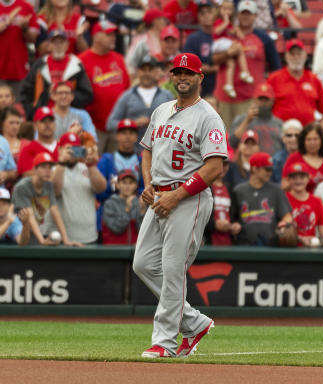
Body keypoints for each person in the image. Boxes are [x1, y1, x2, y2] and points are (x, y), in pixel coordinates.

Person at [134, 53, 226, 358]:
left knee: (173, 270)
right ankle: (194, 322)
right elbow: (147, 150)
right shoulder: (161, 110)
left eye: (188, 72)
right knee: (144, 264)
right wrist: (148, 183)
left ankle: (164, 343)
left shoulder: (208, 116)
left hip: (189, 199)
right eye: (177, 72)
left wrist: (178, 195)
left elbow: (214, 167)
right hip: (159, 195)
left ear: (200, 77)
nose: (181, 76)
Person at [211, 0, 281, 129]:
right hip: (224, 97)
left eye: (249, 14)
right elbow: (212, 59)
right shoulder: (227, 32)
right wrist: (228, 53)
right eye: (243, 13)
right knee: (221, 137)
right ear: (237, 14)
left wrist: (265, 92)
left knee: (247, 138)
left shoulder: (264, 39)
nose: (245, 17)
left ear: (255, 16)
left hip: (250, 98)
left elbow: (276, 67)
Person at [79, 21, 130, 154]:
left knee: (116, 170)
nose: (113, 37)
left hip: (117, 128)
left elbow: (127, 90)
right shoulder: (82, 60)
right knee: (92, 165)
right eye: (108, 34)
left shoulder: (119, 59)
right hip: (93, 128)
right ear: (96, 37)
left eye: (114, 34)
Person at [19, 29, 93, 120]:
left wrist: (65, 95)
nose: (58, 46)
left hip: (69, 115)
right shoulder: (40, 64)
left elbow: (87, 94)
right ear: (49, 46)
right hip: (43, 115)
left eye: (61, 43)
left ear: (67, 45)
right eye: (55, 43)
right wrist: (32, 111)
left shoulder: (76, 65)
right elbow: (26, 91)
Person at [12, 152, 77, 246]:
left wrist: (66, 240)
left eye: (50, 168)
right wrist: (42, 240)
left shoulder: (48, 185)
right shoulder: (22, 187)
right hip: (16, 232)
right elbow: (29, 215)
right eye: (43, 167)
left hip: (34, 231)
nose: (47, 171)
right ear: (34, 169)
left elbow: (55, 211)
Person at [52, 132, 106, 244]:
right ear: (60, 149)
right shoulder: (54, 170)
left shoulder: (87, 168)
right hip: (64, 238)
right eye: (68, 148)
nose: (72, 152)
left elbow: (101, 188)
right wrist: (61, 162)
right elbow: (54, 191)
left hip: (90, 236)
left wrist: (91, 165)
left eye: (75, 148)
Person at [230, 152, 292, 246]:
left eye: (271, 170)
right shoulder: (238, 190)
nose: (270, 173)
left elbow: (287, 216)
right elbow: (232, 219)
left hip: (270, 244)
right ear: (255, 169)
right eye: (267, 169)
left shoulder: (276, 190)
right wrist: (233, 226)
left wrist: (284, 225)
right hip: (244, 245)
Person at [107, 56, 174, 141]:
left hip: (159, 149)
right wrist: (132, 124)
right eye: (143, 70)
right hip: (133, 151)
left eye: (150, 70)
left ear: (156, 72)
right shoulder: (127, 96)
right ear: (138, 72)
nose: (146, 73)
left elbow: (176, 122)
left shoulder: (167, 96)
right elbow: (110, 124)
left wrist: (155, 124)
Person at [267, 39, 323, 126]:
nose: (296, 57)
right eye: (292, 54)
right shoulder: (274, 79)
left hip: (308, 133)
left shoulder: (313, 79)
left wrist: (321, 126)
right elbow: (265, 106)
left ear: (305, 55)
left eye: (299, 54)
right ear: (286, 56)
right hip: (282, 130)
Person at [285, 162, 323, 246]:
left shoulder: (316, 201)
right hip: (288, 248)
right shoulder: (283, 198)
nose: (298, 181)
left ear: (308, 178)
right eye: (294, 177)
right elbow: (281, 228)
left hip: (310, 249)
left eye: (302, 177)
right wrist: (300, 238)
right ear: (288, 180)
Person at [212, 0, 254, 99]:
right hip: (217, 44)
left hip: (223, 45)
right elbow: (216, 32)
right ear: (219, 10)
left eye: (230, 9)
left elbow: (237, 34)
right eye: (225, 9)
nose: (227, 11)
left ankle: (229, 85)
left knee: (231, 63)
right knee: (239, 48)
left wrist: (236, 31)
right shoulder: (219, 21)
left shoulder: (230, 24)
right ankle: (245, 72)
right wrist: (226, 22)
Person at [229, 82, 282, 155]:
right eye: (260, 99)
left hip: (273, 163)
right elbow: (232, 142)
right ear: (254, 99)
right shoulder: (242, 119)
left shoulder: (279, 123)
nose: (263, 102)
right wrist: (247, 120)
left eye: (266, 99)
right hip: (249, 163)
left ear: (272, 101)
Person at [282, 123, 323, 192]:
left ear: (322, 140)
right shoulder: (294, 158)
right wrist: (300, 180)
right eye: (308, 139)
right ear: (303, 142)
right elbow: (284, 185)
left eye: (315, 139)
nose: (312, 143)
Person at [182, 1, 217, 97]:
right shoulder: (193, 38)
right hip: (201, 88)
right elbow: (188, 65)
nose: (206, 15)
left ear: (215, 14)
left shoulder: (224, 35)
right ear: (198, 17)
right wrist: (214, 69)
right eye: (202, 13)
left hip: (222, 87)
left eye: (209, 12)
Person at [102, 169, 144, 245]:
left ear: (136, 185)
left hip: (134, 251)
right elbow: (117, 229)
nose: (127, 186)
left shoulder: (138, 203)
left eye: (131, 182)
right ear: (117, 185)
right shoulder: (109, 204)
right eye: (124, 182)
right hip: (114, 250)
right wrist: (127, 210)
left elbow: (142, 232)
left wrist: (142, 211)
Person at [125, 8, 169, 75]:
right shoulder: (141, 40)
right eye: (163, 19)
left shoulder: (165, 38)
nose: (166, 22)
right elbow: (130, 64)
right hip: (145, 79)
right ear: (155, 21)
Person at [17, 107, 59, 176]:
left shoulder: (62, 146)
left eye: (50, 121)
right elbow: (27, 175)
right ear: (35, 125)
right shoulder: (28, 150)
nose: (47, 125)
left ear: (54, 124)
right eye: (43, 121)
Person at [206, 159, 239, 245]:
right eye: (219, 163)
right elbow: (196, 217)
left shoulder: (230, 189)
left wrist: (236, 225)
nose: (222, 168)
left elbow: (235, 216)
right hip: (208, 243)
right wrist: (214, 225)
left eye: (225, 164)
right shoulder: (204, 188)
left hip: (228, 243)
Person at [271, 118, 302, 184]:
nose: (293, 138)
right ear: (283, 139)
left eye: (297, 135)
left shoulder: (308, 156)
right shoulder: (276, 160)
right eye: (289, 135)